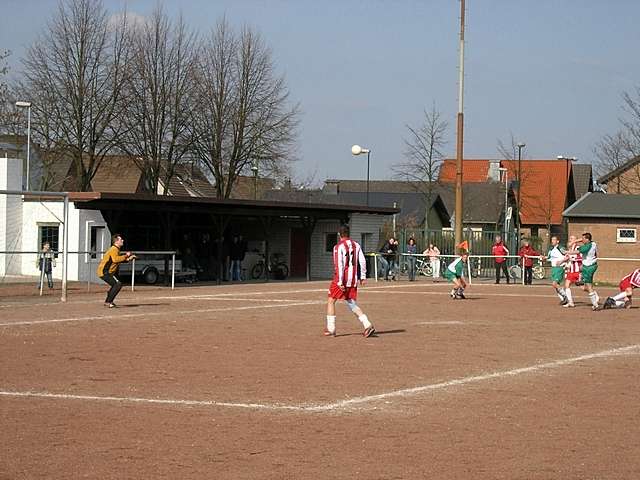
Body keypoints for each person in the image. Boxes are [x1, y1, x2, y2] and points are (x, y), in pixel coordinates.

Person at [324, 225, 375, 338]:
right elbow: (362, 261)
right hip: (353, 279)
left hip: (342, 278)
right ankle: (367, 324)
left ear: (339, 234)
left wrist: (340, 282)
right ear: (349, 233)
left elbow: (339, 265)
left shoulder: (338, 247)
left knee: (331, 300)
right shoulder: (356, 245)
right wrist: (362, 276)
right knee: (351, 302)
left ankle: (331, 329)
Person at [97, 233, 135, 308]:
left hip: (108, 272)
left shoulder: (116, 249)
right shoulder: (114, 249)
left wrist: (128, 259)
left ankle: (109, 298)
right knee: (117, 284)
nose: (123, 240)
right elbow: (115, 259)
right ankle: (108, 301)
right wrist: (126, 255)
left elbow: (116, 260)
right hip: (105, 271)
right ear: (116, 241)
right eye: (121, 239)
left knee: (116, 284)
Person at [570, 232, 600, 310]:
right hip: (591, 265)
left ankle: (595, 304)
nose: (582, 240)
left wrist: (566, 252)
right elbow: (583, 239)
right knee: (581, 268)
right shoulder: (593, 243)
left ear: (587, 239)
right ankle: (581, 279)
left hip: (589, 267)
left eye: (583, 239)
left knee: (588, 286)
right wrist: (575, 241)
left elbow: (577, 252)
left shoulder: (586, 247)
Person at [543, 235, 568, 305]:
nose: (552, 241)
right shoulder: (551, 249)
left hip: (559, 268)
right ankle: (563, 299)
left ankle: (565, 296)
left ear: (558, 241)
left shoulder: (560, 248)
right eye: (552, 240)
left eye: (554, 240)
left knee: (555, 284)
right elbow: (549, 258)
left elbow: (567, 256)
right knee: (556, 285)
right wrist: (543, 258)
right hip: (553, 268)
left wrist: (561, 261)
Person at [562, 235, 583, 308]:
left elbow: (581, 258)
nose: (570, 240)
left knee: (583, 288)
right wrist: (561, 261)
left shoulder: (578, 248)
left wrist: (573, 259)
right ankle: (570, 302)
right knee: (566, 285)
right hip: (570, 270)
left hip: (577, 271)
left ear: (575, 240)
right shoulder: (570, 249)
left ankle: (594, 295)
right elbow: (567, 257)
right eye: (570, 238)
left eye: (572, 239)